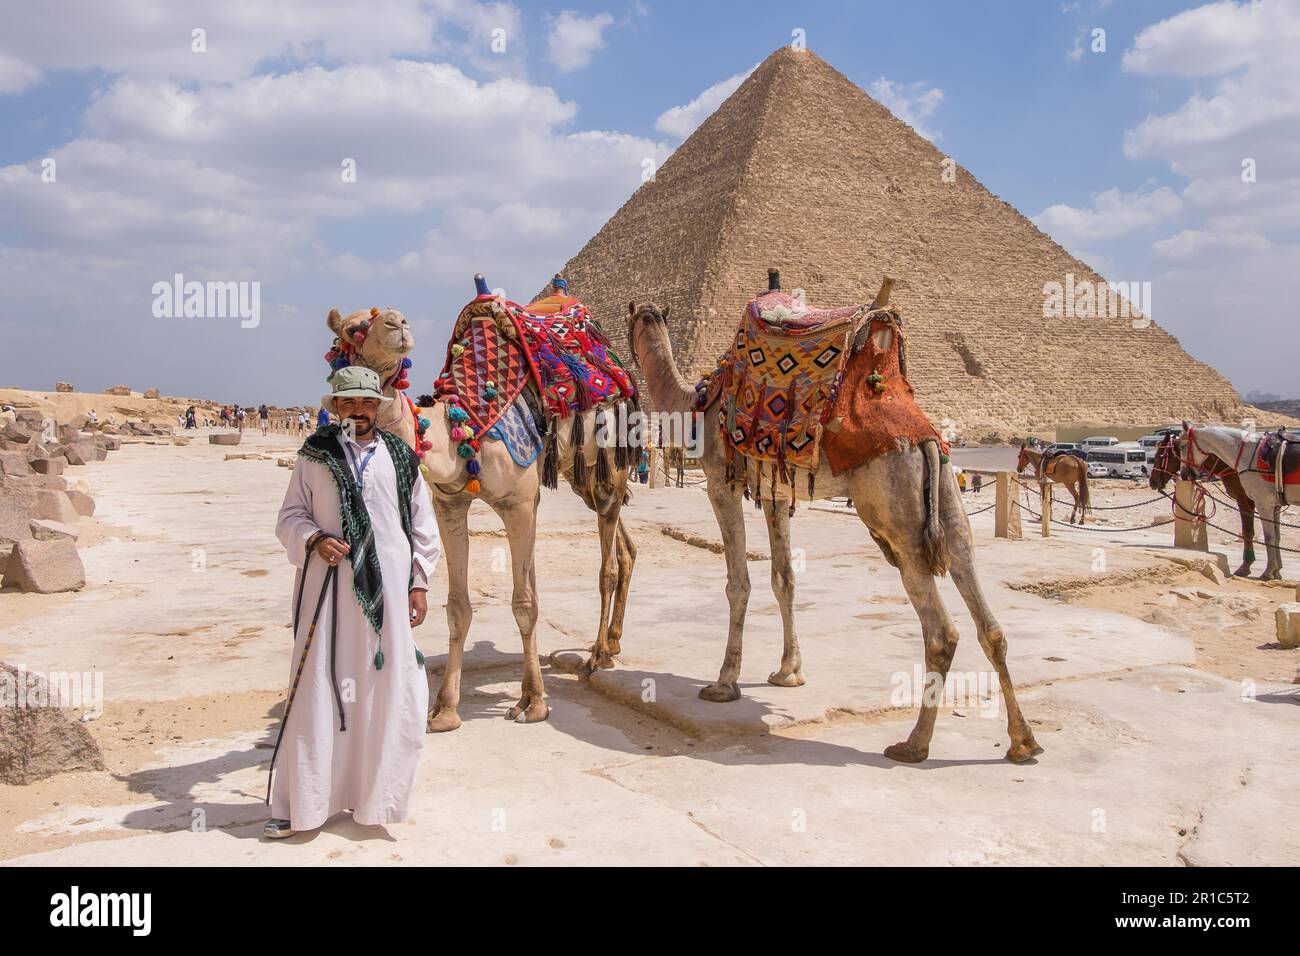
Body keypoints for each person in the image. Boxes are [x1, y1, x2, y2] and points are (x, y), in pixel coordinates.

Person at [267, 366, 441, 839]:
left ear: (377, 408)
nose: (358, 411)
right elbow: (289, 517)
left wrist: (420, 583)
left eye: (366, 403)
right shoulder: (314, 456)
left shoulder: (402, 457)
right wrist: (314, 538)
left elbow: (422, 525)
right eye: (349, 403)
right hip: (327, 594)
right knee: (316, 692)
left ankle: (375, 800)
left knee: (387, 690)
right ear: (336, 408)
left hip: (389, 598)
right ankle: (302, 804)